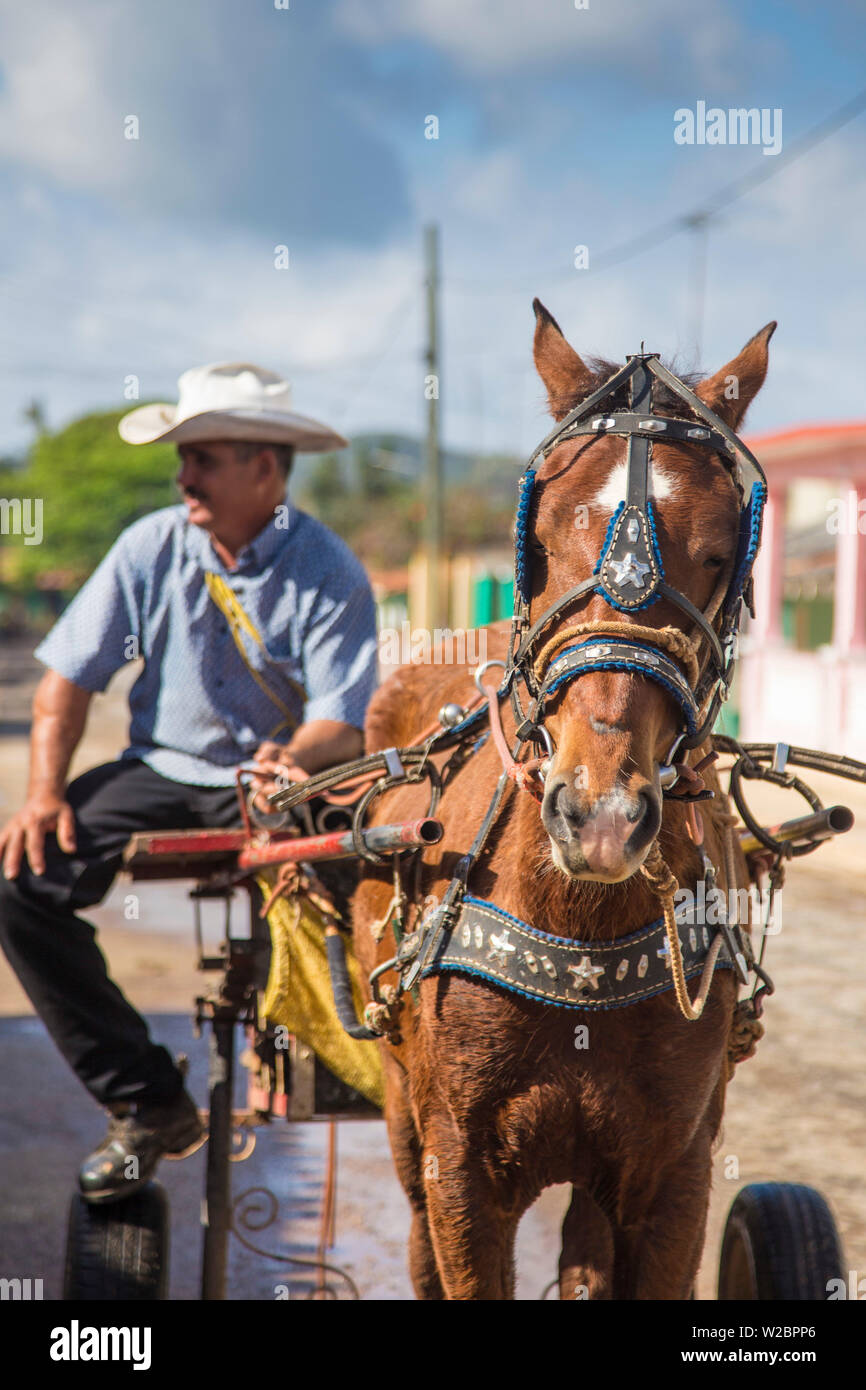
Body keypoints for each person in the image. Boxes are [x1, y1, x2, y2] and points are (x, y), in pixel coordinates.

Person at [0, 362, 378, 1202]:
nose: (184, 477)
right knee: (20, 885)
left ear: (265, 471)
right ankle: (147, 1101)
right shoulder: (150, 545)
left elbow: (341, 719)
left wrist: (295, 762)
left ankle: (389, 1067)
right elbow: (67, 677)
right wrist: (43, 795)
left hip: (281, 781)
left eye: (202, 458)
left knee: (382, 881)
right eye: (184, 459)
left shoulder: (329, 566)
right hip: (163, 768)